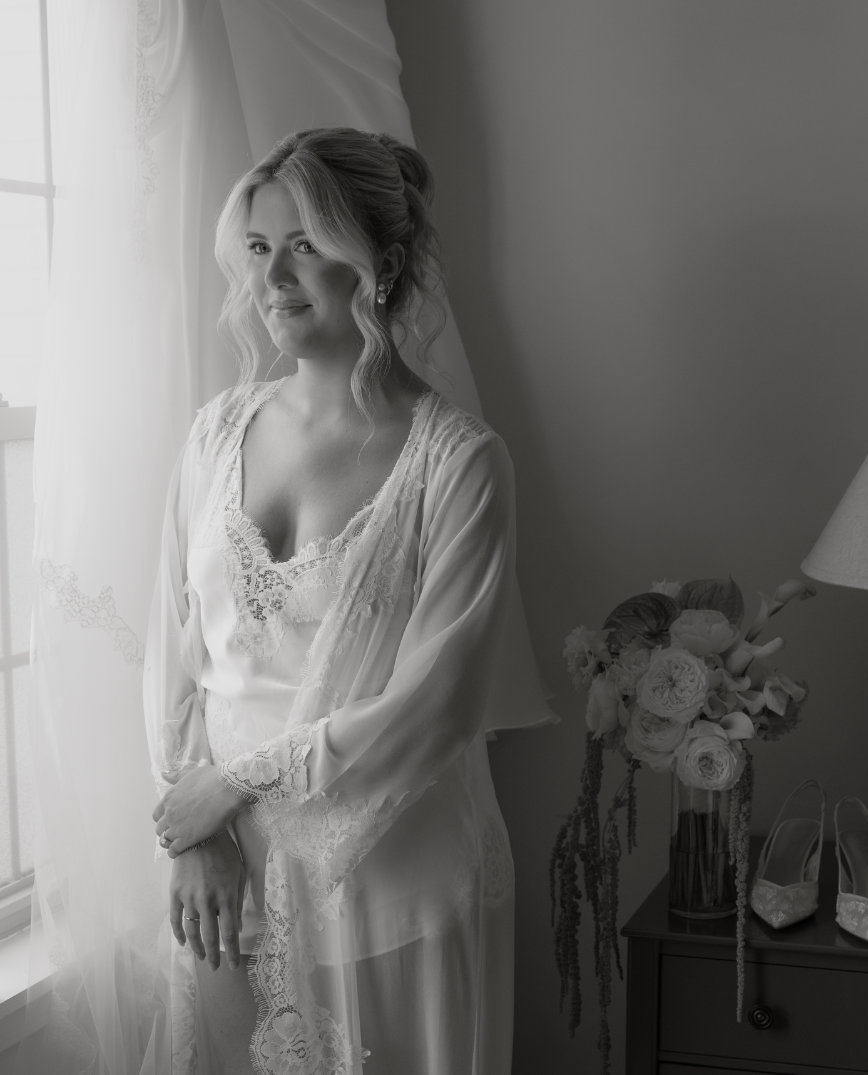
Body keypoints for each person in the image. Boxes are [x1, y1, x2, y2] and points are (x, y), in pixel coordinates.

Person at [144, 128, 529, 1074]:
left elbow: (433, 708)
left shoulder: (458, 461)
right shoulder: (214, 432)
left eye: (306, 245)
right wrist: (190, 829)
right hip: (221, 886)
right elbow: (172, 652)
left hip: (391, 886)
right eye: (260, 248)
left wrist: (235, 785)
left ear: (383, 263)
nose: (274, 277)